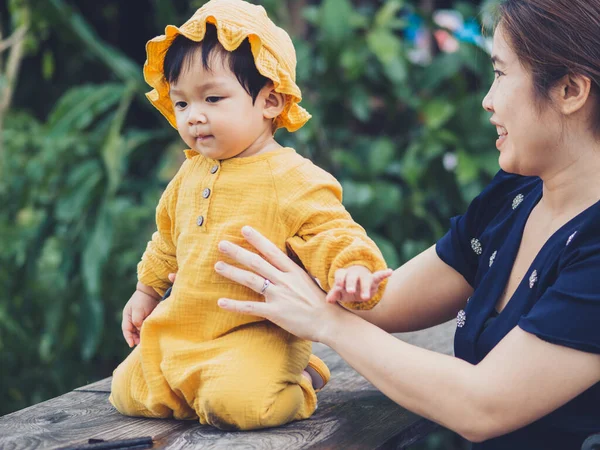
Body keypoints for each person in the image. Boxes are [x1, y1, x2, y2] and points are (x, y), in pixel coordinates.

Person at [212, 0, 600, 448]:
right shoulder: (515, 196)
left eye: (500, 73)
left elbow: (485, 405)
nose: (487, 102)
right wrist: (228, 251)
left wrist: (328, 324)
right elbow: (381, 299)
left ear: (570, 90)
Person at [109, 0, 391, 431]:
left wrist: (351, 268)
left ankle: (300, 377)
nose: (194, 116)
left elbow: (332, 231)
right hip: (184, 328)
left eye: (213, 97)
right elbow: (166, 239)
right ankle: (199, 385)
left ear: (270, 101)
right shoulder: (189, 173)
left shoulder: (292, 177)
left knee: (242, 406)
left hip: (255, 334)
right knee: (125, 391)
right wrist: (146, 292)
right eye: (181, 104)